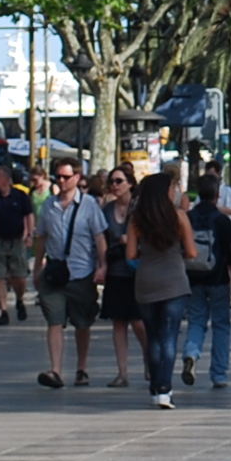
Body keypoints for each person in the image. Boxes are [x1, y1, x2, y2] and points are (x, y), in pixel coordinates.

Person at [127, 171, 199, 409]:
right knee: (169, 336)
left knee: (153, 336)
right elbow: (192, 252)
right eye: (172, 188)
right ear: (165, 192)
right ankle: (164, 389)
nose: (175, 192)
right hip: (174, 282)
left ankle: (155, 387)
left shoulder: (137, 219)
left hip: (146, 281)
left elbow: (130, 254)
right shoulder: (178, 217)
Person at [33, 157, 105, 389]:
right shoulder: (49, 206)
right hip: (55, 273)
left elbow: (99, 237)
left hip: (82, 272)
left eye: (66, 176)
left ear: (77, 177)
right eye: (58, 176)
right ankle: (55, 370)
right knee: (54, 320)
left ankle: (81, 368)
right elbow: (42, 237)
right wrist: (37, 268)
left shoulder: (89, 205)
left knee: (82, 323)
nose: (61, 181)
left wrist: (103, 266)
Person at [181, 171, 231, 388]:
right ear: (217, 194)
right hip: (218, 279)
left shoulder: (187, 218)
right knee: (221, 325)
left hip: (192, 278)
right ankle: (219, 374)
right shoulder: (222, 221)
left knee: (196, 321)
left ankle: (191, 353)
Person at [95, 163, 143, 387]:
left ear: (130, 184)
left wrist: (132, 240)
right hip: (116, 270)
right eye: (111, 182)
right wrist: (102, 265)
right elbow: (101, 238)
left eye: (119, 181)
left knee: (138, 320)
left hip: (138, 270)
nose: (114, 186)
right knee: (118, 322)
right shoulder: (106, 209)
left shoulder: (140, 207)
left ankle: (149, 357)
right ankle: (122, 372)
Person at [0, 165, 33, 324]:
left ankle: (20, 299)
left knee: (19, 276)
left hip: (16, 241)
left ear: (7, 179)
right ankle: (3, 310)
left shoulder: (20, 196)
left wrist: (29, 234)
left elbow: (29, 215)